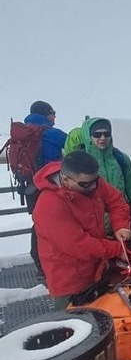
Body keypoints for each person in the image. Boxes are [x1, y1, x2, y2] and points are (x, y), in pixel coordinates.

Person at [32, 150, 131, 309]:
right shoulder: (49, 205)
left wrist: (121, 226)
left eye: (95, 181)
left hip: (98, 269)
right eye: (85, 184)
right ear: (65, 179)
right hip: (69, 280)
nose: (93, 187)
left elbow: (116, 201)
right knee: (75, 321)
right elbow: (78, 245)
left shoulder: (89, 181)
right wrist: (117, 250)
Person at [64, 117, 131, 235]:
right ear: (88, 136)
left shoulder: (120, 158)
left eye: (106, 134)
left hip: (121, 220)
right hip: (91, 225)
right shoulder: (80, 161)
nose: (102, 138)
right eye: (97, 134)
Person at [23, 101, 68, 271]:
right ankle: (54, 264)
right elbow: (74, 144)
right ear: (46, 114)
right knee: (57, 223)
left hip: (30, 186)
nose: (55, 116)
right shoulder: (51, 133)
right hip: (51, 185)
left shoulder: (25, 133)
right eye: (53, 112)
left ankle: (39, 262)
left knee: (39, 224)